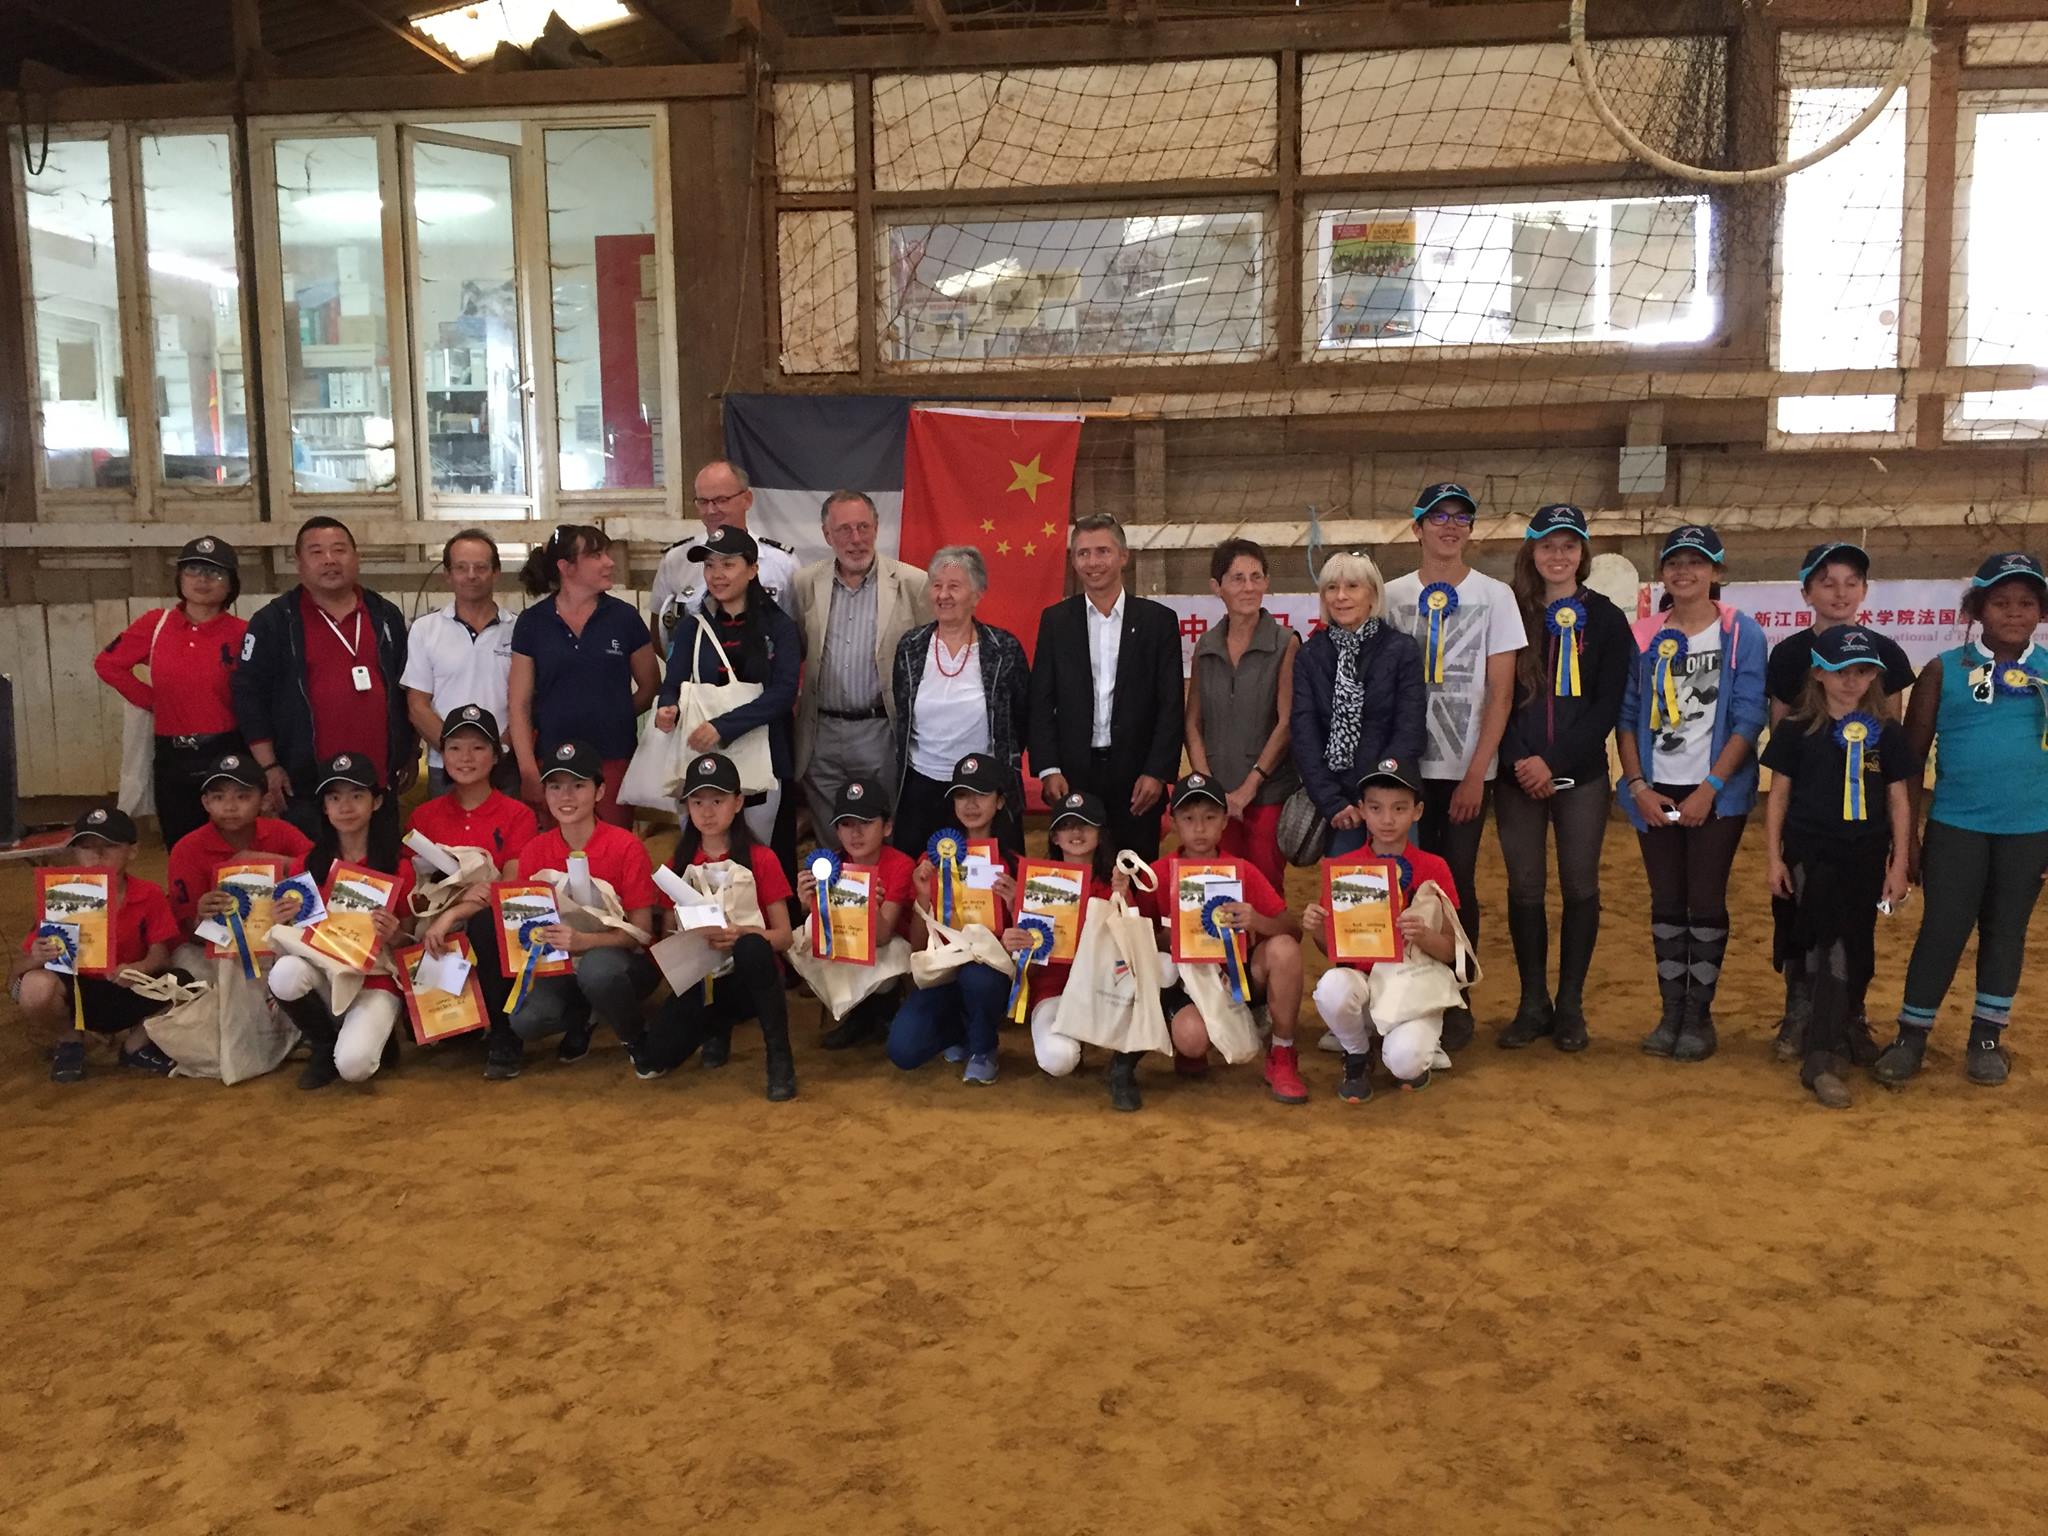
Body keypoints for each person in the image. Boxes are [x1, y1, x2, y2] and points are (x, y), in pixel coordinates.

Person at [1874, 552, 2048, 1089]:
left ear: (2040, 611)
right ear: (1977, 608)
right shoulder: (1943, 670)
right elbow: (1907, 762)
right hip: (1956, 828)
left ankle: (1987, 1038)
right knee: (1943, 930)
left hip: (2030, 831)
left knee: (2006, 933)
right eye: (2000, 602)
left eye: (2026, 603)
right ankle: (1911, 1035)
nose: (2014, 613)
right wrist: (1907, 841)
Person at [1616, 524, 1768, 1064]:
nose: (1685, 571)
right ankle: (1670, 1013)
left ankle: (1698, 1015)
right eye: (1675, 562)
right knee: (1665, 902)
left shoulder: (1741, 633)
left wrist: (1713, 787)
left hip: (1716, 793)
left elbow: (1750, 718)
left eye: (1697, 562)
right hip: (1654, 788)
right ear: (1663, 573)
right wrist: (1637, 785)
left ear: (1717, 573)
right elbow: (1629, 717)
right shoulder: (1643, 635)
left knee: (1703, 900)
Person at [1382, 483, 1527, 1050]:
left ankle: (1458, 997)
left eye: (1461, 518)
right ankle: (1399, 992)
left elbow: (1501, 694)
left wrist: (1476, 772)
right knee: (1400, 881)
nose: (1450, 526)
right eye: (1437, 517)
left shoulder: (1496, 597)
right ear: (1416, 527)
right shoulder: (1391, 596)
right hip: (1405, 770)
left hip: (1466, 770)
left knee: (1456, 884)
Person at [1763, 541, 1916, 1063]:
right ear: (1806, 590)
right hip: (1809, 824)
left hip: (1866, 833)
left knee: (1858, 926)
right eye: (1827, 582)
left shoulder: (1888, 654)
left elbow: (1886, 731)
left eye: (1851, 582)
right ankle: (1800, 1011)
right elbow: (1783, 734)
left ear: (1865, 590)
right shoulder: (1788, 655)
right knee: (1799, 922)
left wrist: (1900, 852)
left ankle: (1849, 1014)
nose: (1840, 592)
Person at [1493, 504, 1630, 1053]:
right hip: (1516, 774)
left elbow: (1607, 705)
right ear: (1532, 552)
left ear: (1582, 554)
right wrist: (1520, 759)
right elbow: (1494, 695)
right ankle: (1533, 1002)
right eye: (1547, 545)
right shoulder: (1509, 611)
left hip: (1582, 775)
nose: (1557, 555)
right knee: (1525, 887)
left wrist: (1555, 761)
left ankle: (1570, 1004)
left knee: (1580, 885)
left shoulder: (1607, 619)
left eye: (1568, 546)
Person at [231, 518, 415, 843]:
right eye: (316, 552)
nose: (329, 559)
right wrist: (269, 766)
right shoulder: (274, 621)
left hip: (377, 784)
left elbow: (406, 688)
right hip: (304, 785)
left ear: (356, 558)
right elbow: (249, 697)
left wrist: (409, 750)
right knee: (311, 879)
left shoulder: (385, 615)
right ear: (299, 564)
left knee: (378, 880)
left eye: (339, 550)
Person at [1134, 774, 1307, 1104]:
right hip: (1187, 984)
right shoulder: (1157, 873)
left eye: (1210, 818)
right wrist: (1170, 938)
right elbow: (1135, 937)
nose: (1199, 829)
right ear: (1173, 823)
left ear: (1225, 821)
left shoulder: (1242, 870)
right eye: (1189, 819)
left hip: (1238, 978)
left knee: (1284, 950)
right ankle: (1189, 1030)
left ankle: (1282, 1053)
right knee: (1192, 1040)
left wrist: (1257, 920)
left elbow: (1293, 931)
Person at [638, 752, 798, 1100]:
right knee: (654, 1059)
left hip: (752, 977)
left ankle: (779, 1057)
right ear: (687, 807)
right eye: (697, 802)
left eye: (718, 800)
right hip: (702, 977)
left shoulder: (761, 858)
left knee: (752, 947)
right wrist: (690, 937)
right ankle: (715, 1027)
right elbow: (667, 934)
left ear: (738, 802)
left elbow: (784, 937)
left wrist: (742, 934)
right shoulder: (677, 864)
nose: (707, 812)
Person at [1303, 757, 1462, 1100]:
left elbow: (1452, 951)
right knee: (1332, 986)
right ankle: (1357, 1053)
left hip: (1412, 987)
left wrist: (1424, 935)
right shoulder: (1344, 868)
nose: (1387, 819)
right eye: (1376, 808)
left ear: (1417, 812)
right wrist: (1317, 928)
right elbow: (1332, 949)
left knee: (1405, 1063)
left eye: (1399, 808)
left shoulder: (1435, 868)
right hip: (1363, 986)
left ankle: (1409, 1044)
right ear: (1362, 810)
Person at [1029, 514, 1183, 861]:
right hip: (1072, 774)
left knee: (1134, 870)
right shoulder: (1055, 621)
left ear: (1123, 556)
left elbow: (1171, 704)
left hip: (1137, 776)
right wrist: (1048, 768)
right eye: (1083, 553)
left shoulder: (1158, 622)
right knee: (1074, 877)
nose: (1093, 562)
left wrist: (1157, 772)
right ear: (1073, 561)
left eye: (1103, 551)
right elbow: (1041, 701)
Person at [502, 740, 662, 1073]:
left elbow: (642, 933)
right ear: (544, 794)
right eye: (556, 787)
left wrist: (586, 942)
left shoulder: (626, 846)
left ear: (600, 791)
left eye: (578, 786)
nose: (566, 797)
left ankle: (635, 1038)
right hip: (562, 966)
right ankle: (586, 1017)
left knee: (599, 971)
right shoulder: (534, 851)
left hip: (623, 964)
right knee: (525, 1021)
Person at [655, 523, 801, 881]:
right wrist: (667, 707)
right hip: (701, 756)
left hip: (762, 758)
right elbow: (673, 681)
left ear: (752, 570)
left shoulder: (779, 627)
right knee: (702, 853)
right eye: (710, 566)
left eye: (728, 564)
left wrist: (723, 727)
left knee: (756, 860)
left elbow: (783, 693)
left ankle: (755, 930)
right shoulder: (693, 626)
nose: (717, 575)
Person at [405, 707, 541, 1081]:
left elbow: (511, 889)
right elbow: (414, 888)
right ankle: (454, 1018)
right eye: (455, 748)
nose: (466, 758)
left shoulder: (517, 814)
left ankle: (504, 1034)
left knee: (485, 922)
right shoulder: (425, 817)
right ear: (441, 753)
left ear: (496, 756)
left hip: (489, 926)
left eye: (479, 748)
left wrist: (454, 912)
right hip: (438, 932)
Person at [265, 754, 416, 1090]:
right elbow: (295, 932)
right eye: (334, 798)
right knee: (285, 973)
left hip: (374, 979)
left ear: (376, 802)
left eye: (356, 795)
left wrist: (395, 934)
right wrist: (283, 918)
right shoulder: (308, 863)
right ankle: (322, 1043)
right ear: (324, 808)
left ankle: (378, 1035)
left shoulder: (398, 866)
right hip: (324, 974)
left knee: (355, 1066)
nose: (345, 807)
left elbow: (410, 941)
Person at [791, 490, 931, 841]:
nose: (856, 539)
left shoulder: (912, 583)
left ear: (877, 527)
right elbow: (795, 649)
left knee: (881, 832)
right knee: (831, 836)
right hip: (821, 731)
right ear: (826, 535)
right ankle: (833, 895)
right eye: (844, 530)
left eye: (863, 527)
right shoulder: (805, 583)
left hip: (880, 731)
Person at [94, 535, 248, 850]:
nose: (203, 579)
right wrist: (152, 701)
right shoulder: (156, 624)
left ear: (231, 584)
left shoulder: (242, 632)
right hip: (172, 757)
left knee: (230, 845)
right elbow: (108, 664)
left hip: (227, 752)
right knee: (181, 846)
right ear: (179, 579)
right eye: (193, 569)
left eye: (215, 573)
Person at [13, 808, 179, 1084]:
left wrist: (138, 968)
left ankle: (135, 1046)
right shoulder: (61, 896)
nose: (97, 855)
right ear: (75, 853)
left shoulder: (148, 894)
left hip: (127, 986)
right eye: (87, 847)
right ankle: (69, 1040)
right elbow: (17, 971)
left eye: (109, 847)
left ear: (132, 851)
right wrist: (36, 956)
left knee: (184, 981)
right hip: (78, 991)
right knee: (34, 985)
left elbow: (161, 955)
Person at [887, 753, 1024, 1085]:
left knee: (978, 979)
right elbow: (918, 944)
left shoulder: (1015, 866)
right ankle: (960, 1029)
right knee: (903, 1051)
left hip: (988, 976)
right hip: (942, 974)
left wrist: (1015, 902)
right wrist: (921, 894)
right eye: (962, 794)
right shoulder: (931, 861)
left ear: (1000, 800)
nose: (971, 804)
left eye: (981, 793)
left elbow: (1027, 947)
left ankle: (983, 1048)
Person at [508, 524, 658, 827]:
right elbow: (518, 703)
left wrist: (615, 713)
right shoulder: (533, 623)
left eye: (606, 553)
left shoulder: (624, 617)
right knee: (555, 857)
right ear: (567, 567)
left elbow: (650, 684)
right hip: (552, 762)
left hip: (613, 758)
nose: (609, 562)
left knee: (612, 850)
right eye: (596, 555)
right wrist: (527, 769)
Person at [890, 546, 1032, 857]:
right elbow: (902, 711)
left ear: (978, 594)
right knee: (918, 880)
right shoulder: (910, 646)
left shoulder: (1003, 648)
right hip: (920, 787)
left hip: (983, 788)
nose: (943, 595)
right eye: (937, 585)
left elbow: (1020, 718)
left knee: (988, 884)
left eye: (954, 586)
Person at [1291, 550, 1426, 859]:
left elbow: (1410, 729)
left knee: (1402, 894)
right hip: (1340, 809)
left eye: (1352, 586)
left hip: (1391, 805)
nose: (1341, 597)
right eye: (1331, 588)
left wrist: (1378, 802)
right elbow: (1304, 734)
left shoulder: (1402, 650)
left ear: (1373, 594)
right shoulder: (1310, 655)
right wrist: (1332, 802)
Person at [1185, 538, 1300, 891]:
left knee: (1264, 888)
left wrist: (1249, 788)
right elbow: (1192, 722)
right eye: (1237, 578)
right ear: (1216, 587)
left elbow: (1287, 721)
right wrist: (1207, 786)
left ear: (1266, 582)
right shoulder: (1206, 645)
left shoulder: (1286, 642)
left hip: (1266, 796)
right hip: (1218, 800)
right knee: (1221, 886)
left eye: (1256, 576)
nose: (1248, 587)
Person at [1025, 789, 1150, 1112]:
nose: (1076, 833)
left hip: (1103, 991)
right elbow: (1028, 962)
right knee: (1058, 1058)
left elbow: (1135, 950)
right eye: (1067, 826)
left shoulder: (1114, 885)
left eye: (1085, 825)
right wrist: (1018, 928)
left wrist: (1123, 899)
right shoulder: (1037, 884)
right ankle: (1076, 1039)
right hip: (1055, 991)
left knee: (1161, 969)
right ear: (1054, 836)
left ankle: (1123, 1063)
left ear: (1100, 833)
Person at [164, 752, 313, 969]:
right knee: (193, 964)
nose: (229, 807)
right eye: (218, 797)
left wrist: (266, 860)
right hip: (208, 946)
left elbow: (323, 870)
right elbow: (190, 931)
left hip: (275, 936)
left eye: (242, 797)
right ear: (205, 803)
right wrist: (201, 916)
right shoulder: (187, 849)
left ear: (265, 801)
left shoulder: (281, 832)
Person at [800, 776, 917, 1051]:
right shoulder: (830, 864)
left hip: (891, 950)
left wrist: (870, 908)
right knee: (806, 930)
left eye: (865, 823)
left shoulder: (900, 864)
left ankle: (883, 1009)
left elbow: (883, 937)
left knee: (882, 956)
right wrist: (807, 903)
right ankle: (859, 1015)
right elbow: (820, 928)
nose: (855, 833)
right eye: (846, 824)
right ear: (837, 831)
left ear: (887, 827)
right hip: (849, 944)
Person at [401, 529, 517, 797]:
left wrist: (497, 752)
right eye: (461, 567)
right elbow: (417, 706)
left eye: (481, 567)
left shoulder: (519, 629)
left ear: (496, 572)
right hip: (445, 769)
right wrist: (457, 753)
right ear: (448, 574)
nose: (471, 575)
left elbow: (526, 704)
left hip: (505, 765)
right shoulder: (424, 629)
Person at [650, 459, 799, 653]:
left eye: (721, 500)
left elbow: (797, 637)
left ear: (747, 499)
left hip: (763, 680)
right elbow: (660, 632)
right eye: (703, 502)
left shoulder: (782, 563)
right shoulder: (677, 559)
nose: (711, 510)